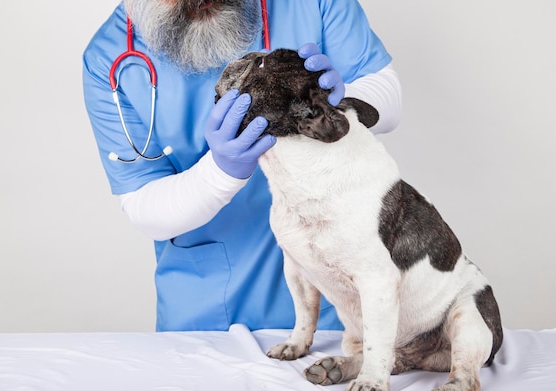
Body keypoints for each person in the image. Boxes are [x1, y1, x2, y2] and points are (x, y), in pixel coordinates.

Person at [82, 0, 402, 332]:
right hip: (207, 310)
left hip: (337, 291)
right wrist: (220, 173)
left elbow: (388, 97)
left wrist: (341, 102)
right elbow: (144, 209)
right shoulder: (109, 58)